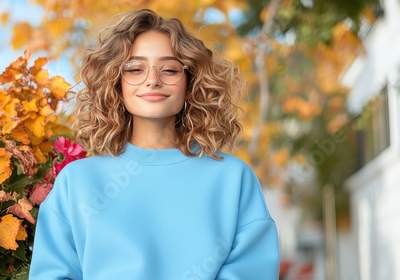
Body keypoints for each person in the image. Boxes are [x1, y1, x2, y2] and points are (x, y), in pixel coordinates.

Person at [29, 9, 280, 279]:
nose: (152, 80)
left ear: (190, 82)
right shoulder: (75, 182)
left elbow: (253, 270)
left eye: (170, 69)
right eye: (135, 69)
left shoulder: (234, 178)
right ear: (116, 83)